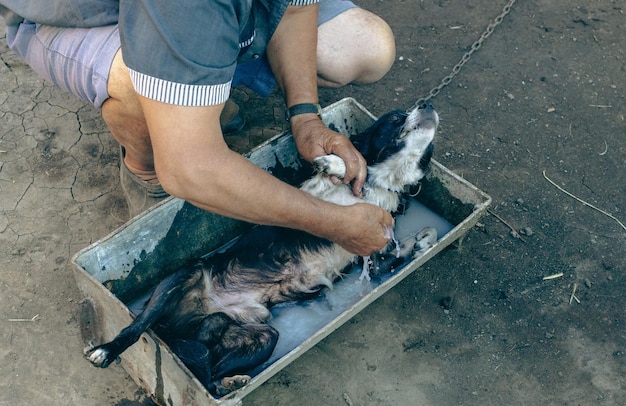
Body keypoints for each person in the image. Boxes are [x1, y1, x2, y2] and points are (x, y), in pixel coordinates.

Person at [0, 0, 396, 256]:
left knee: (367, 49)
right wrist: (333, 222)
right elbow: (191, 167)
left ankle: (196, 93)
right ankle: (144, 168)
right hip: (79, 16)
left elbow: (294, 9)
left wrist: (306, 115)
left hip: (194, 17)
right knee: (138, 90)